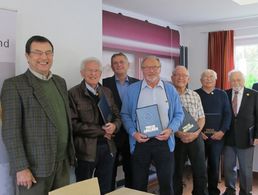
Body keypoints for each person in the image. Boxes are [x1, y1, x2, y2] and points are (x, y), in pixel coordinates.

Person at [1, 35, 75, 195]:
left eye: (48, 52)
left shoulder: (60, 82)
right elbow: (10, 131)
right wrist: (21, 167)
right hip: (34, 169)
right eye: (37, 52)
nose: (44, 57)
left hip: (62, 162)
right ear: (27, 56)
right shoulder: (14, 85)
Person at [121, 56, 184, 195]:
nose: (151, 70)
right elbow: (124, 114)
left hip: (164, 141)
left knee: (167, 184)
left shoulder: (170, 89)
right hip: (140, 142)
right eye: (147, 67)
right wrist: (133, 133)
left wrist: (171, 130)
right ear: (142, 70)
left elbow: (179, 114)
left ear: (160, 69)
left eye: (155, 67)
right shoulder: (132, 90)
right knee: (139, 184)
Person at [68, 57, 121, 195]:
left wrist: (115, 126)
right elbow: (73, 124)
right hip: (85, 151)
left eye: (96, 70)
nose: (93, 73)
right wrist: (101, 131)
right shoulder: (73, 93)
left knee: (105, 188)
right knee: (84, 190)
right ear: (82, 73)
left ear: (100, 73)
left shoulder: (107, 92)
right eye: (89, 70)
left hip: (108, 148)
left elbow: (117, 116)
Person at [103, 52, 139, 189]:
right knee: (109, 172)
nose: (118, 65)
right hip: (112, 134)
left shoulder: (138, 83)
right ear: (112, 67)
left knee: (131, 171)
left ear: (128, 65)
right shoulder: (104, 83)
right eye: (115, 63)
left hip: (133, 134)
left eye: (121, 62)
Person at [171, 65, 208, 195]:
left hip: (195, 137)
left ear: (189, 79)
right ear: (172, 78)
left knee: (200, 171)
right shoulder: (166, 96)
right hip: (175, 138)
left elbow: (202, 117)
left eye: (184, 75)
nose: (181, 78)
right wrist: (178, 133)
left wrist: (196, 133)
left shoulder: (195, 95)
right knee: (175, 172)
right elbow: (164, 120)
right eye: (177, 75)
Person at [195, 69, 231, 195]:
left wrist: (222, 131)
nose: (208, 79)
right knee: (199, 166)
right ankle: (199, 191)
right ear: (201, 80)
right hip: (199, 137)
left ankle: (213, 191)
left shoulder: (222, 94)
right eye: (205, 77)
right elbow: (189, 116)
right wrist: (198, 132)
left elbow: (227, 114)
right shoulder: (195, 94)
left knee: (214, 166)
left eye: (211, 77)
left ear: (215, 80)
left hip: (217, 138)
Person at [223, 70, 258, 195]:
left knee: (245, 169)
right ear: (229, 81)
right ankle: (230, 189)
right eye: (233, 80)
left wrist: (257, 136)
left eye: (238, 79)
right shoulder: (225, 94)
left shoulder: (254, 94)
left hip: (246, 138)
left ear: (243, 80)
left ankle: (246, 191)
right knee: (228, 167)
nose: (236, 82)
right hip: (228, 138)